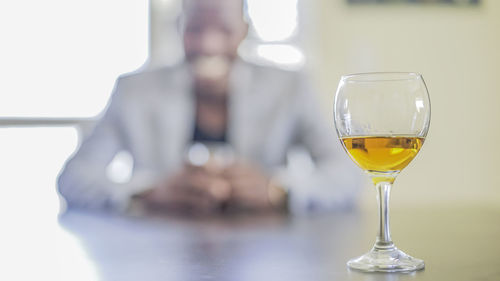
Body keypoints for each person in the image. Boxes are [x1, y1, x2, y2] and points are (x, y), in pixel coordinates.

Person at [57, 0, 360, 215]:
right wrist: (146, 192)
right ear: (179, 28)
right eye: (195, 30)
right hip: (157, 249)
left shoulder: (289, 87)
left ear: (244, 30)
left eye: (223, 29)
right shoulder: (134, 91)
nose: (209, 45)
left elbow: (346, 177)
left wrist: (278, 191)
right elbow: (74, 178)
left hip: (264, 253)